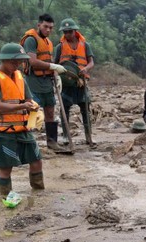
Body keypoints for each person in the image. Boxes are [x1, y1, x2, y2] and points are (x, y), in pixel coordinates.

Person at [0, 43, 44, 197]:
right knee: (6, 167)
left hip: (23, 129)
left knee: (36, 160)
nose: (17, 65)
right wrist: (23, 106)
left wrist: (35, 109)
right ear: (4, 60)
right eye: (14, 62)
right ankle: (6, 196)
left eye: (20, 62)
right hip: (4, 132)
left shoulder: (19, 77)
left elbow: (29, 99)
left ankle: (38, 192)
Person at [20, 14, 67, 151]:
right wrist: (52, 67)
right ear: (39, 25)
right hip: (34, 81)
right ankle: (28, 142)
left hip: (47, 81)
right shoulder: (31, 39)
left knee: (50, 110)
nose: (48, 30)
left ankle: (52, 142)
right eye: (45, 26)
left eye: (51, 28)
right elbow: (32, 61)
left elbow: (49, 61)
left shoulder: (48, 42)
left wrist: (56, 74)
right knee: (33, 111)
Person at [53, 18, 95, 147]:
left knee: (85, 109)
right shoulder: (60, 47)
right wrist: (56, 78)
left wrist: (85, 69)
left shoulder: (85, 45)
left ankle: (88, 136)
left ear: (75, 31)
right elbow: (54, 64)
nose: (67, 34)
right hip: (67, 83)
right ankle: (66, 136)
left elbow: (91, 62)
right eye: (65, 32)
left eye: (70, 32)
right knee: (64, 109)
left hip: (81, 82)